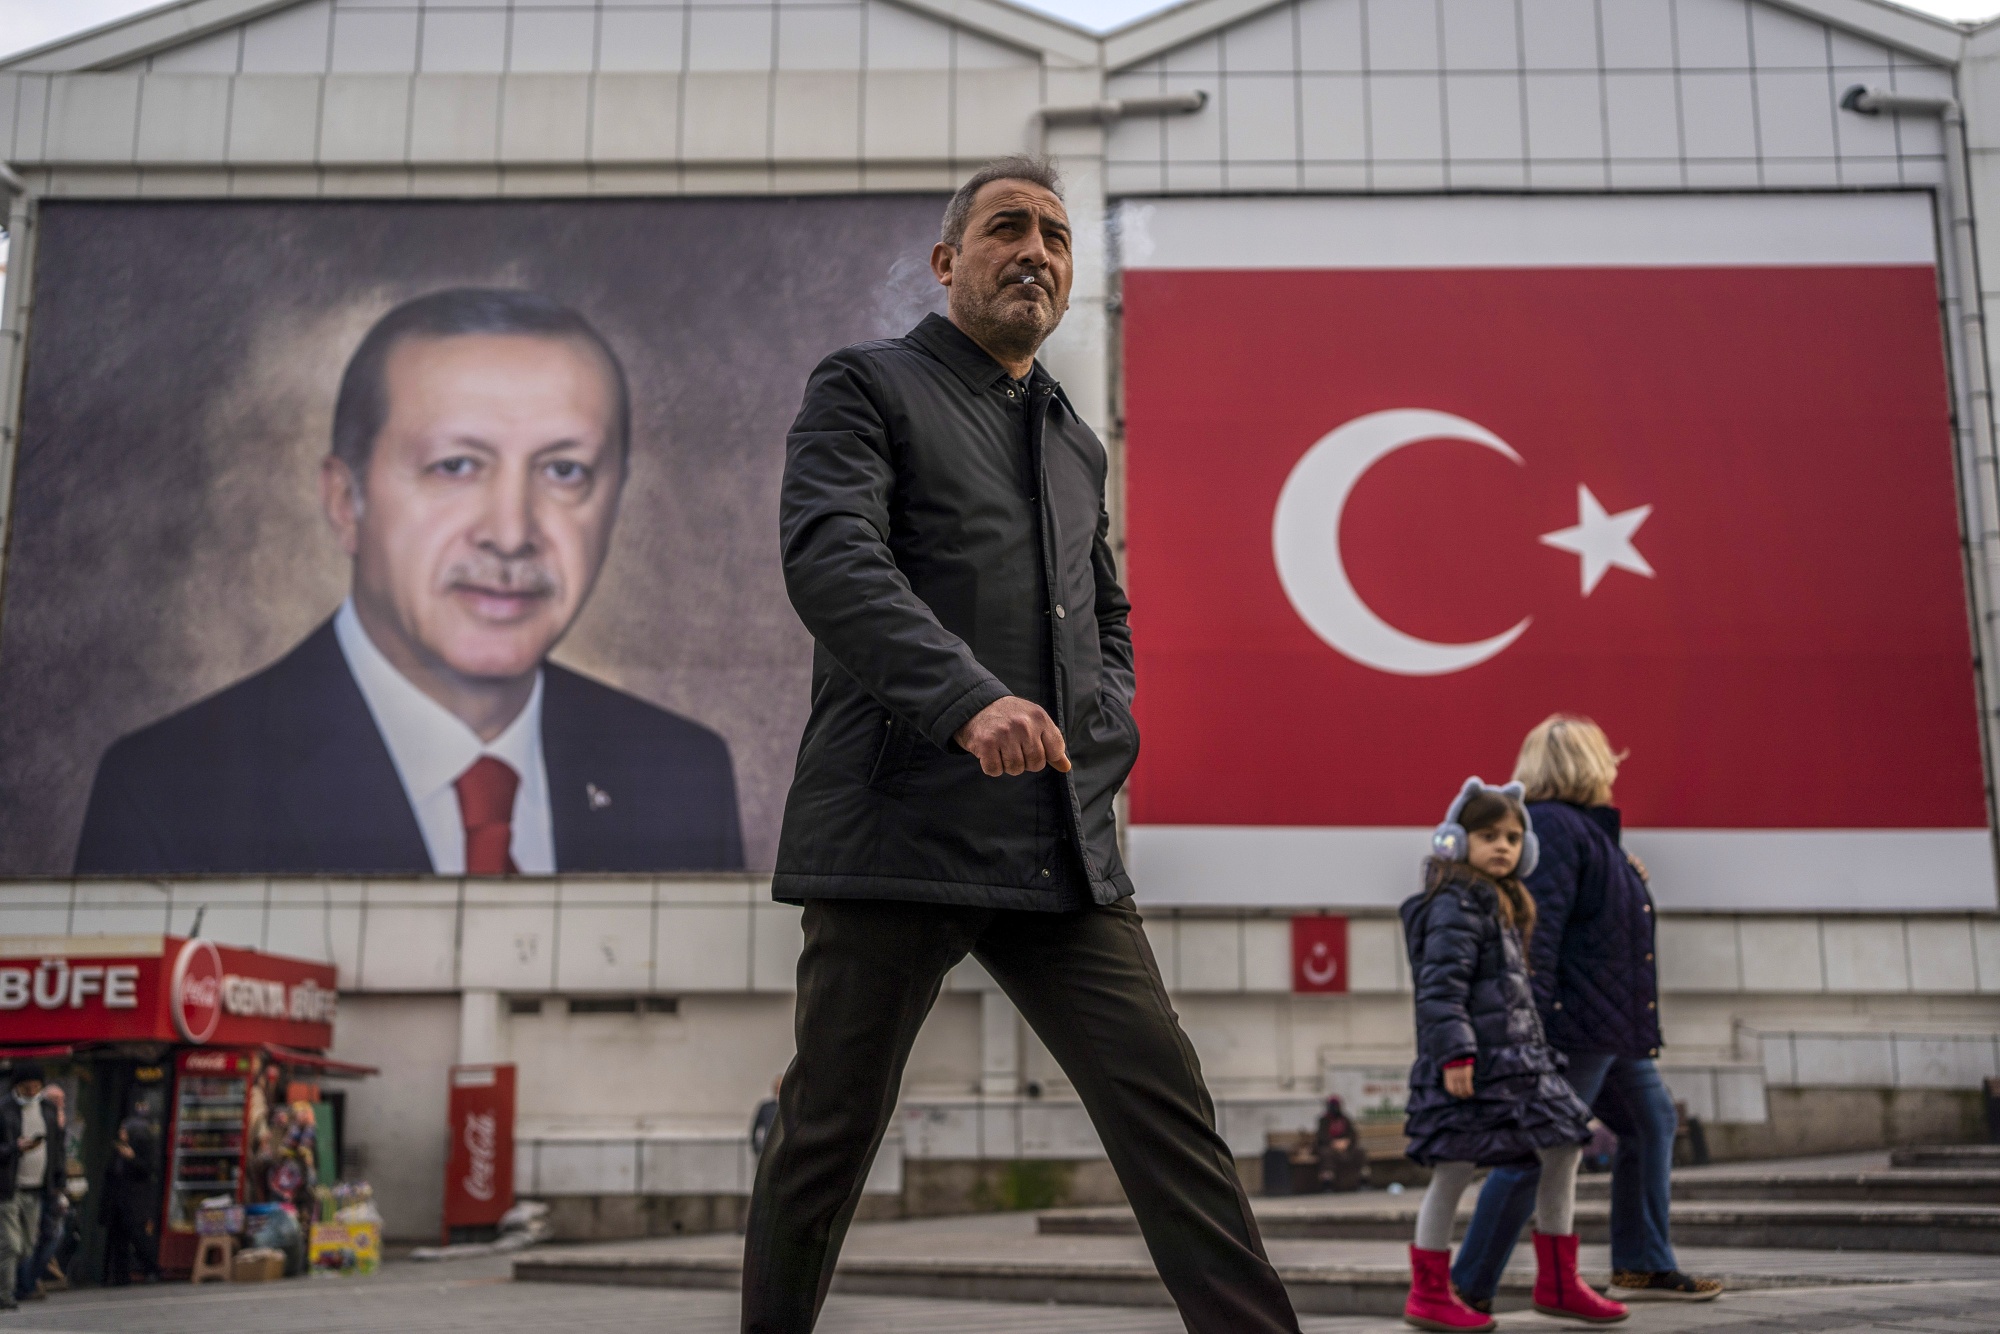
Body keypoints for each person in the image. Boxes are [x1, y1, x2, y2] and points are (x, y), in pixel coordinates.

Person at [745, 155, 1302, 1334]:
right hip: (896, 830)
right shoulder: (866, 385)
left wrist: (1105, 727)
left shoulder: (1068, 438)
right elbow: (831, 558)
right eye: (1008, 227)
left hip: (1055, 842)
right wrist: (965, 699)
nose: (1036, 251)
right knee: (826, 1133)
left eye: (1056, 235)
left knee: (1169, 1118)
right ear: (948, 260)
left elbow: (1105, 614)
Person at [74, 287, 742, 876]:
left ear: (616, 502)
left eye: (564, 471)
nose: (511, 533)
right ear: (346, 502)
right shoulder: (170, 793)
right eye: (455, 465)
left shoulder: (682, 777)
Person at [1450, 718, 1723, 1308]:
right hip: (1572, 1024)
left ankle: (1643, 1265)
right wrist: (1530, 1030)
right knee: (1534, 1148)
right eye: (1606, 759)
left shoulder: (1587, 834)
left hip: (1609, 1025)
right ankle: (1467, 1288)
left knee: (1650, 1122)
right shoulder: (1553, 827)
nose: (1613, 769)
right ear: (1587, 763)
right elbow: (1536, 934)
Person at [1399, 780, 1625, 1331]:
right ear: (1456, 841)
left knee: (1563, 1144)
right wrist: (1456, 1054)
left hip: (1515, 1062)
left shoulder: (1498, 901)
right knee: (1453, 1169)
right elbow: (1440, 988)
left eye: (1513, 837)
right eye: (1488, 835)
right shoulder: (1456, 903)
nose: (1503, 845)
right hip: (1473, 1064)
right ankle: (1428, 1294)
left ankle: (1558, 1283)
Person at [0, 1064, 55, 1313]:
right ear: (17, 1086)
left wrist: (58, 1181)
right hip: (8, 1187)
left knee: (27, 1247)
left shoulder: (47, 1109)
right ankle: (5, 1295)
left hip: (36, 1187)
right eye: (26, 1087)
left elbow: (56, 1147)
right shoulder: (4, 1109)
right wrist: (15, 1147)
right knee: (11, 1244)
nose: (32, 1091)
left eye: (36, 1086)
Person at [14, 1083, 65, 1301]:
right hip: (21, 1186)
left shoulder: (53, 1119)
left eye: (61, 1101)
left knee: (52, 1234)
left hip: (47, 1186)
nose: (59, 1106)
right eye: (55, 1101)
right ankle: (23, 1284)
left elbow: (58, 1153)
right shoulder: (21, 1113)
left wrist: (60, 1183)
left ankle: (27, 1281)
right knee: (24, 1238)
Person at [100, 1118, 161, 1286]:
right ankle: (120, 1275)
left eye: (124, 1130)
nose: (121, 1133)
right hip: (117, 1199)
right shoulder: (118, 1151)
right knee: (118, 1239)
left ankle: (150, 1268)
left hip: (134, 1201)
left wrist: (132, 1158)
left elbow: (148, 1170)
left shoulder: (141, 1150)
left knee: (138, 1236)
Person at [1312, 1094, 1368, 1193]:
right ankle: (1327, 1183)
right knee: (1327, 1154)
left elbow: (1352, 1135)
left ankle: (1363, 1181)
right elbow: (1321, 1136)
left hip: (1345, 1146)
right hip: (1329, 1146)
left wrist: (1346, 1142)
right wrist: (1334, 1143)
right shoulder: (1324, 1120)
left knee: (1359, 1152)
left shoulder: (1345, 1119)